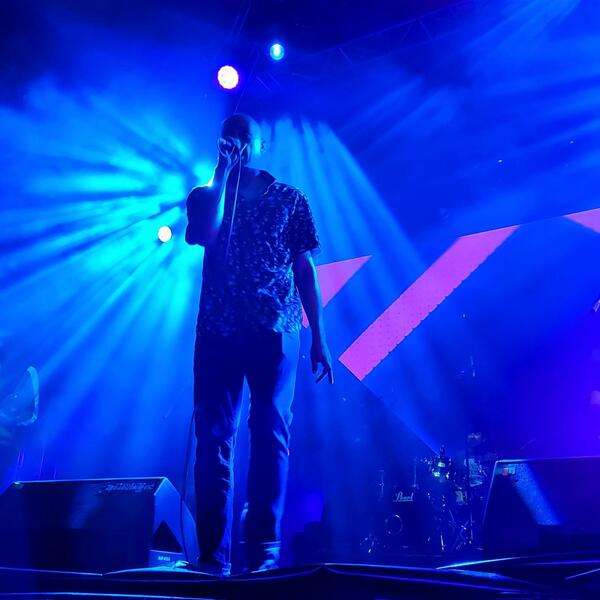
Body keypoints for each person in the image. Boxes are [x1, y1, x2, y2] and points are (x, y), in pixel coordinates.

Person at [185, 114, 333, 576]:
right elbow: (204, 234)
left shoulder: (290, 198)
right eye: (228, 137)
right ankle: (212, 555)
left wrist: (319, 337)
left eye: (243, 138)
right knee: (213, 439)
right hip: (218, 331)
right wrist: (220, 175)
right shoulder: (206, 195)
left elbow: (305, 269)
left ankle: (263, 551)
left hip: (275, 329)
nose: (235, 143)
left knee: (270, 435)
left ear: (260, 145)